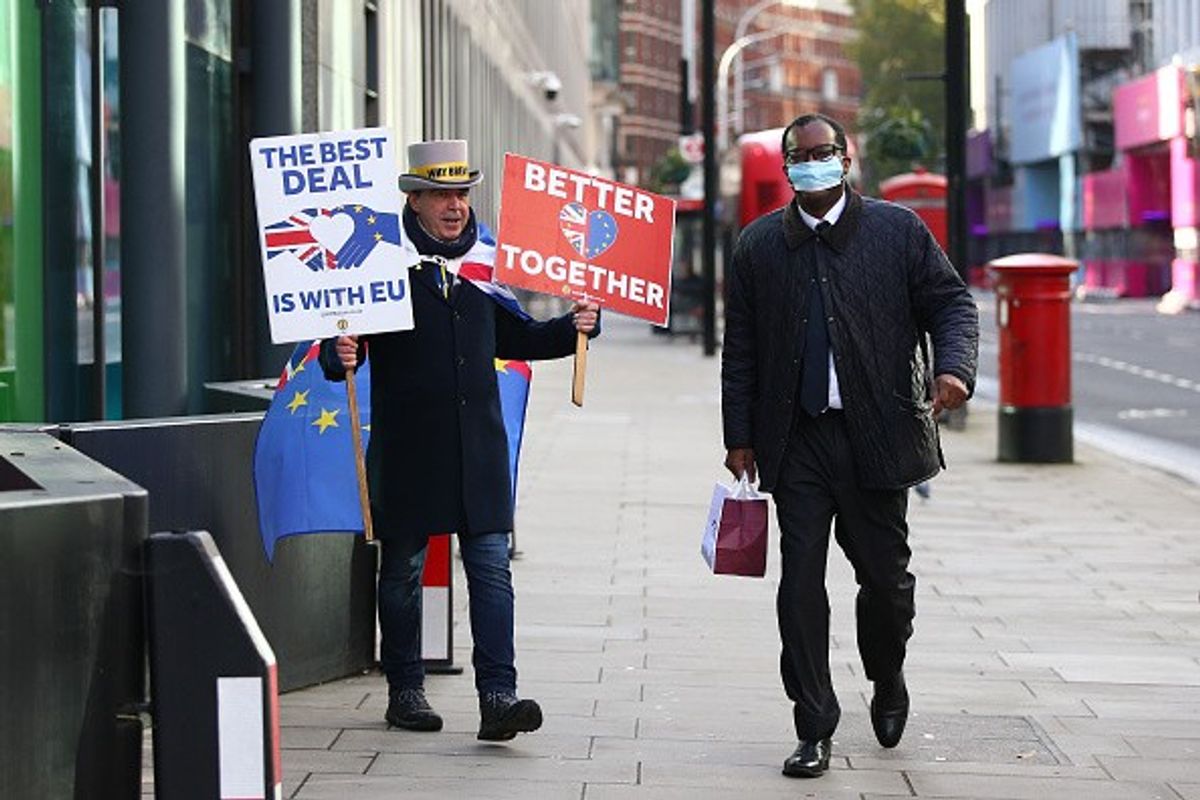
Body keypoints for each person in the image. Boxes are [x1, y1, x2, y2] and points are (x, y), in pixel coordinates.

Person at [721, 113, 978, 778]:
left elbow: (952, 305)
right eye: (800, 155)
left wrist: (954, 370)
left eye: (823, 152)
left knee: (886, 583)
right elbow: (740, 348)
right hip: (796, 438)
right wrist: (739, 436)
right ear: (787, 169)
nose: (813, 162)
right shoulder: (757, 247)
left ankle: (887, 677)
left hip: (878, 433)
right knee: (799, 583)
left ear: (846, 156)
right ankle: (814, 724)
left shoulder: (897, 233)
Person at [319, 139, 599, 742]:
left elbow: (519, 338)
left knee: (492, 570)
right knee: (402, 571)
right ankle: (405, 690)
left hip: (479, 453)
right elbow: (340, 343)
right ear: (413, 199)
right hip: (409, 448)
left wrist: (575, 328)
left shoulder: (482, 265)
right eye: (441, 194)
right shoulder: (379, 265)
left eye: (462, 193)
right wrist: (336, 353)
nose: (455, 206)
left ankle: (499, 697)